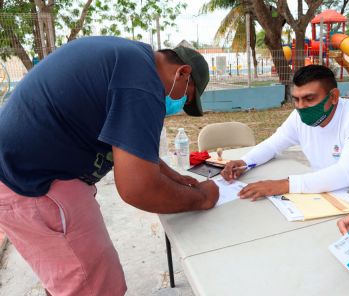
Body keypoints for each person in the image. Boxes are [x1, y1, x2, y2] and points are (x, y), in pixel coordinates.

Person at [0, 36, 219, 296]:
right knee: (97, 287)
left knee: (71, 276)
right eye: (187, 97)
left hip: (27, 171)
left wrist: (172, 175)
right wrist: (202, 198)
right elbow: (138, 189)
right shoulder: (143, 83)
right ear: (183, 72)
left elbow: (128, 146)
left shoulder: (130, 62)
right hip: (35, 182)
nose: (181, 104)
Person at [221, 65, 349, 206]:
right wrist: (244, 162)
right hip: (330, 196)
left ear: (334, 96)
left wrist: (282, 185)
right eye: (296, 99)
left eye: (309, 99)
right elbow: (273, 145)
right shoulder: (298, 117)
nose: (301, 106)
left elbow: (348, 172)